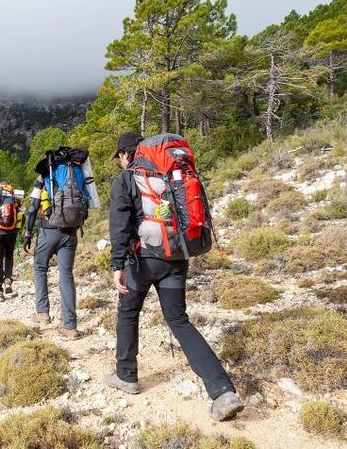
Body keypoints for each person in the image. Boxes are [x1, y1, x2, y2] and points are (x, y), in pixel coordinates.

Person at [104, 131, 244, 422]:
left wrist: (117, 263)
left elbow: (119, 227)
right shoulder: (171, 174)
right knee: (178, 319)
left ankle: (126, 374)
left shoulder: (127, 179)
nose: (119, 162)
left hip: (141, 261)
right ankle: (223, 391)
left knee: (128, 313)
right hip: (177, 256)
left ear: (126, 154)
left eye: (119, 156)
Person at [23, 148, 90, 340]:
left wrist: (28, 232)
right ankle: (70, 326)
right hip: (71, 232)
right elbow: (87, 202)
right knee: (66, 274)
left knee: (40, 267)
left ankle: (43, 313)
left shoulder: (47, 172)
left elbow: (34, 206)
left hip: (49, 229)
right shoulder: (78, 171)